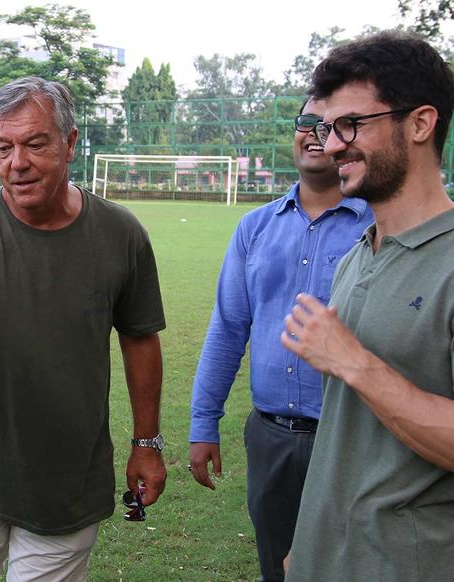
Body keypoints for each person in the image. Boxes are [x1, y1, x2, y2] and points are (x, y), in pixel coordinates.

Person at [0, 76, 167, 581]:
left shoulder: (122, 234)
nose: (16, 162)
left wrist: (146, 442)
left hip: (68, 482)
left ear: (70, 144)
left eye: (34, 144)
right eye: (3, 147)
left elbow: (139, 339)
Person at [278, 32, 454, 581]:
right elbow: (347, 433)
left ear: (420, 124)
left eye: (352, 124)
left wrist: (352, 360)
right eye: (330, 129)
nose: (331, 146)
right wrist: (311, 538)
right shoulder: (360, 254)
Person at [187, 99, 373, 581]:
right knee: (277, 568)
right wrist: (204, 422)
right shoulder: (255, 227)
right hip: (270, 439)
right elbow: (228, 328)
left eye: (333, 125)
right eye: (307, 122)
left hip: (351, 438)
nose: (316, 133)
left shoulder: (377, 227)